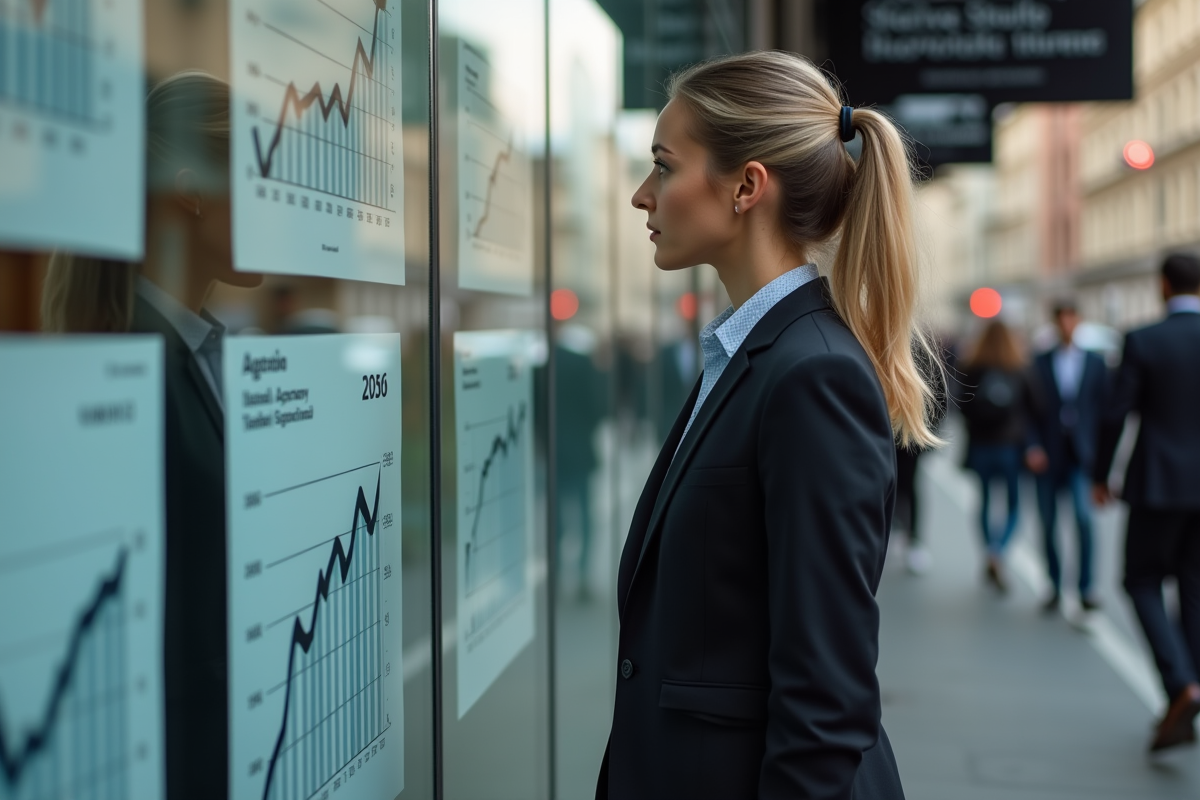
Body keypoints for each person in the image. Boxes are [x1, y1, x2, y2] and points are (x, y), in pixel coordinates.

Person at [598, 51, 941, 800]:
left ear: (747, 187)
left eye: (664, 166)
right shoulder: (754, 353)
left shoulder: (811, 374)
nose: (641, 195)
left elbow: (827, 698)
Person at [42, 72, 258, 800]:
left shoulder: (191, 350)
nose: (277, 208)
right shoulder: (132, 366)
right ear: (194, 192)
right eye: (260, 177)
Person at [1094, 253, 1200, 753]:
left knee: (1141, 579)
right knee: (1195, 586)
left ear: (1163, 286)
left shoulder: (1143, 339)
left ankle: (1181, 685)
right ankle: (1190, 686)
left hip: (1158, 481)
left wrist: (1100, 474)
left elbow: (1116, 413)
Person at [1026, 300, 1107, 613]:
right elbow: (1028, 410)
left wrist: (1100, 453)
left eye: (1072, 319)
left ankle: (1086, 587)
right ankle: (1053, 584)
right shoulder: (1039, 362)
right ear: (1055, 323)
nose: (1067, 325)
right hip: (1048, 453)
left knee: (1084, 520)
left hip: (1081, 453)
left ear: (1079, 321)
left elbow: (1103, 410)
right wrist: (1032, 446)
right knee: (1048, 524)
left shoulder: (1096, 362)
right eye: (1062, 320)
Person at [956, 320, 1035, 593]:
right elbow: (1036, 406)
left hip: (981, 446)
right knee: (1014, 505)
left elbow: (961, 406)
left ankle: (989, 549)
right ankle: (997, 551)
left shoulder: (973, 366)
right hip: (1010, 447)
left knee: (985, 501)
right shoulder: (1018, 367)